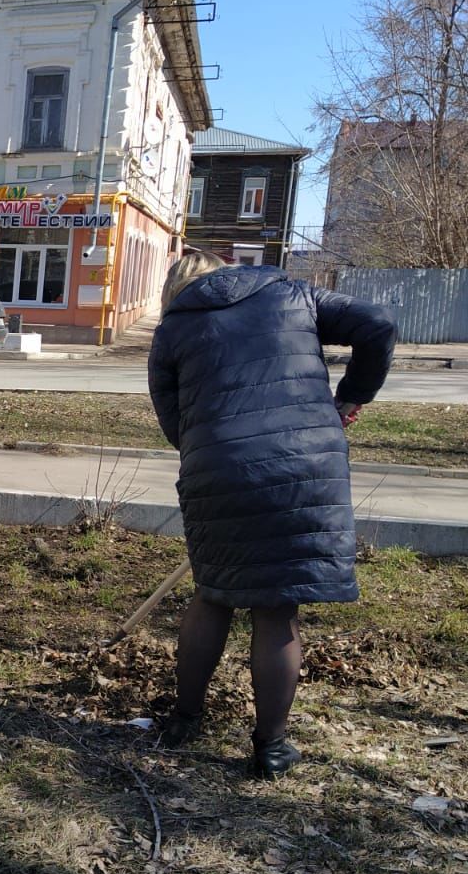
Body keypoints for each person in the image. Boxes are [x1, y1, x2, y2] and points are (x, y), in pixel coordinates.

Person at [148, 251, 396, 778]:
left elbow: (176, 425)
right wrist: (348, 399)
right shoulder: (294, 295)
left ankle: (182, 722)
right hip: (303, 464)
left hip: (218, 468)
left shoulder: (172, 330)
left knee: (213, 593)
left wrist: (216, 446)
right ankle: (271, 748)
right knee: (276, 610)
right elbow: (377, 324)